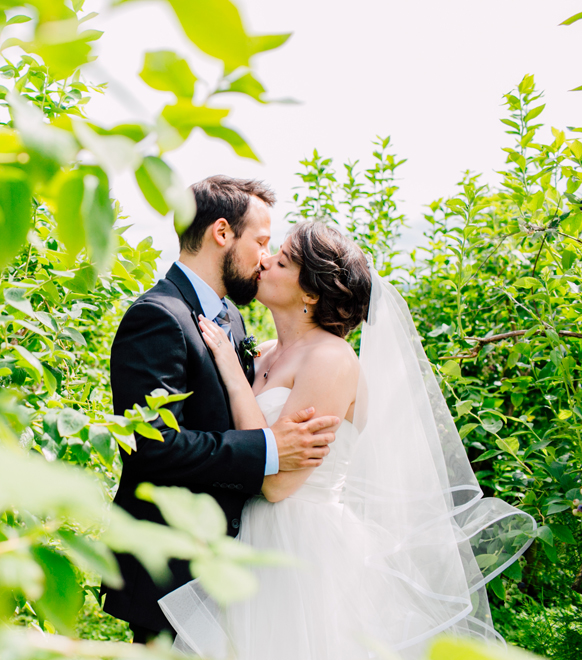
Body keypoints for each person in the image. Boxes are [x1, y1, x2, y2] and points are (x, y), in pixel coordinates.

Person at [158, 221, 536, 659]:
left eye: (280, 261)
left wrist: (229, 370)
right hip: (249, 540)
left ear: (311, 295)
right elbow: (256, 443)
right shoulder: (261, 351)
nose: (264, 261)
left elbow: (279, 483)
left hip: (303, 547)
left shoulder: (331, 359)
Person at [103, 176, 343, 643]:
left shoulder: (230, 317)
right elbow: (150, 444)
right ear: (221, 233)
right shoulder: (157, 316)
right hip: (170, 569)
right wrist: (268, 450)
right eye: (260, 241)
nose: (265, 258)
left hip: (234, 568)